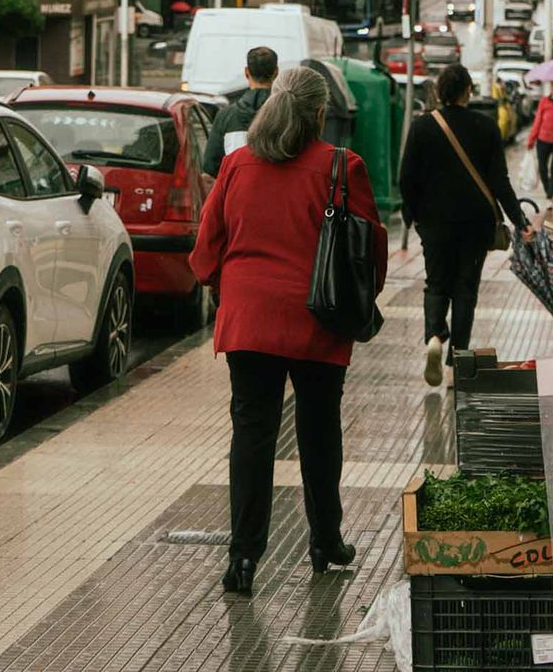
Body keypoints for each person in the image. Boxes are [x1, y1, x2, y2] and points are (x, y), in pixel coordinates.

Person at [190, 67, 387, 596]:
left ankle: (243, 558)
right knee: (319, 432)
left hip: (249, 321)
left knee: (252, 436)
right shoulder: (342, 166)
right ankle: (325, 541)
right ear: (321, 113)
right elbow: (370, 249)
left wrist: (222, 284)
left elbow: (207, 245)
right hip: (318, 320)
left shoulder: (237, 163)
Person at [400, 65, 531, 387]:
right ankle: (455, 364)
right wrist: (520, 221)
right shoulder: (485, 127)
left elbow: (407, 178)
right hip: (475, 223)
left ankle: (434, 335)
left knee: (436, 283)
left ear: (438, 91)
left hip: (434, 222)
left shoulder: (422, 126)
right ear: (468, 91)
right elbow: (499, 181)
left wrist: (412, 215)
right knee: (465, 291)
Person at [202, 46, 279, 175]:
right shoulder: (289, 114)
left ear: (246, 72)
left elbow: (210, 164)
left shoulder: (226, 116)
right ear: (276, 72)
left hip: (237, 185)